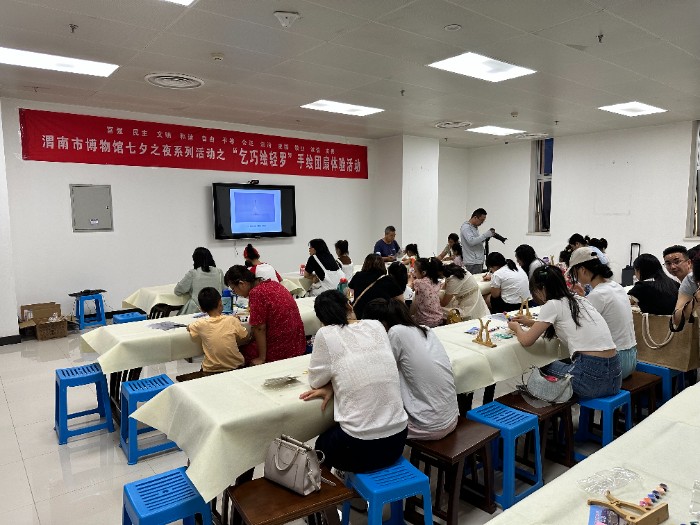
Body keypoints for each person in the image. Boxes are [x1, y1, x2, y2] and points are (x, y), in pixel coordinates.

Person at [299, 290, 408, 473]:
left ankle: (326, 486)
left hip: (359, 446)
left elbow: (315, 380)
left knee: (321, 445)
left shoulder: (325, 333)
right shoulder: (376, 326)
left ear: (321, 320)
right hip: (398, 440)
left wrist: (330, 384)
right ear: (349, 305)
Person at [507, 265, 622, 400]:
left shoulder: (552, 304)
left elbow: (527, 340)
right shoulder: (579, 300)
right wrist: (530, 323)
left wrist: (516, 327)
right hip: (615, 377)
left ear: (542, 289)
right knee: (560, 360)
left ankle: (545, 403)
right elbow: (563, 324)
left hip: (591, 381)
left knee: (542, 363)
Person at [363, 298, 459, 440]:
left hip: (429, 426)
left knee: (366, 423)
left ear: (382, 324)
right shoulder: (425, 330)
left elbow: (379, 372)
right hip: (451, 418)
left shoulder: (396, 332)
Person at [568, 248, 637, 379]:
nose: (575, 278)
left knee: (560, 366)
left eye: (574, 273)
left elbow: (578, 327)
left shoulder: (597, 294)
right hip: (631, 358)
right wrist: (584, 297)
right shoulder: (616, 286)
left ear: (582, 270)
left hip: (615, 364)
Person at [224, 265, 306, 365]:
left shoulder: (256, 293)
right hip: (298, 344)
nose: (235, 292)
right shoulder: (273, 284)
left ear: (242, 284)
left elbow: (260, 328)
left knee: (237, 353)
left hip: (282, 349)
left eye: (233, 289)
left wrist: (261, 358)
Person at [186, 287, 250, 373]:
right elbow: (246, 337)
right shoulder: (232, 320)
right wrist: (237, 321)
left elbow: (189, 327)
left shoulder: (200, 324)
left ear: (202, 309)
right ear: (220, 303)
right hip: (235, 366)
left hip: (211, 369)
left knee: (203, 365)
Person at [348, 254, 404, 319]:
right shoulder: (388, 280)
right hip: (381, 317)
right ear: (382, 264)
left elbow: (351, 291)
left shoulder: (358, 276)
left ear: (365, 263)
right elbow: (401, 300)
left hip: (359, 315)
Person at [175, 247, 225, 314]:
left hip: (195, 311)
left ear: (195, 260)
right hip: (216, 310)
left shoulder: (193, 273)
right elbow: (225, 290)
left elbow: (178, 291)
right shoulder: (219, 272)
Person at [460, 208, 497, 275]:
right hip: (472, 262)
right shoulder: (466, 227)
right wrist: (485, 235)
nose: (482, 223)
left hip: (477, 261)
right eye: (481, 220)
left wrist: (486, 237)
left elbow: (476, 242)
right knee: (474, 281)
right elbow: (471, 241)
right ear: (475, 217)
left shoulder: (474, 228)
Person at [409, 258, 443, 328]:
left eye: (415, 271)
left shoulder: (418, 282)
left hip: (425, 321)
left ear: (423, 273)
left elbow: (409, 287)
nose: (414, 273)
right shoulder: (436, 281)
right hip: (438, 318)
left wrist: (410, 278)